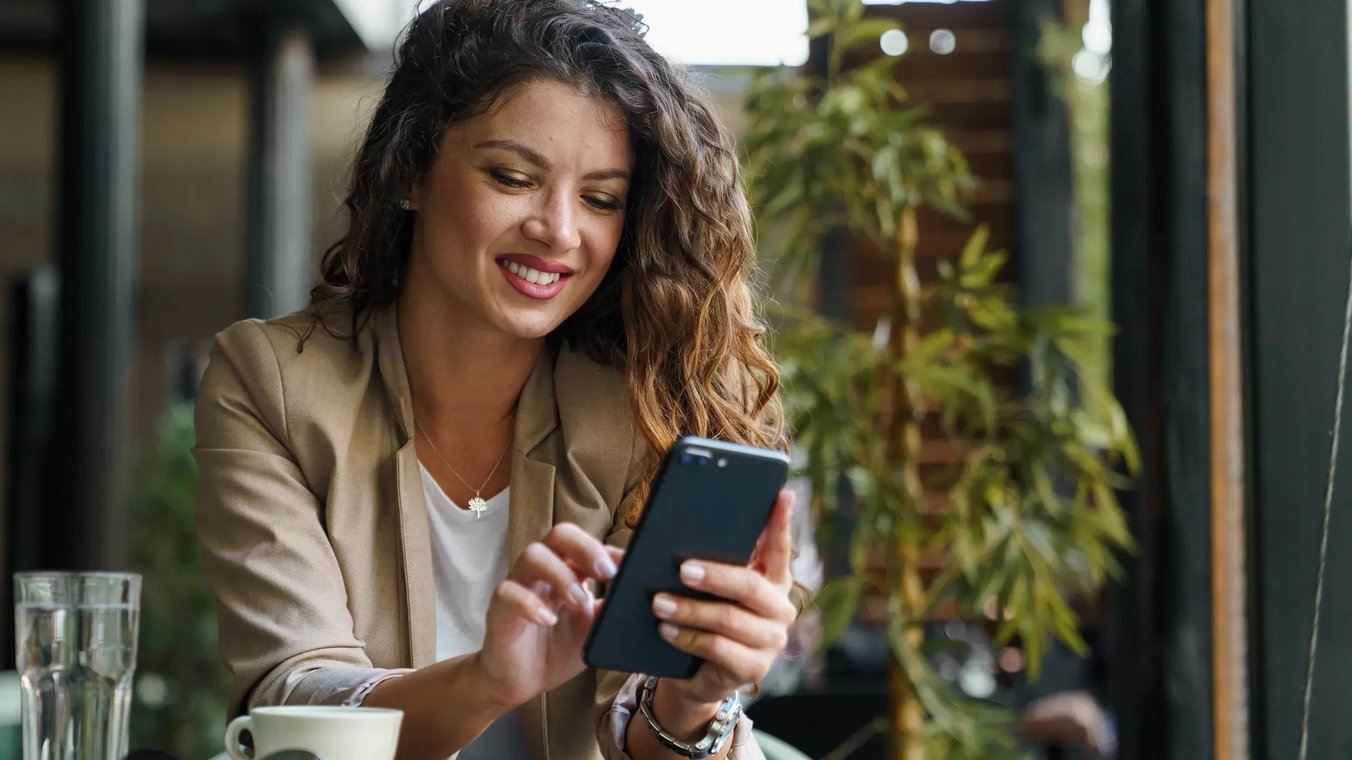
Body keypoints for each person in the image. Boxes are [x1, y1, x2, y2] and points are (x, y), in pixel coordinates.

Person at [192, 1, 801, 759]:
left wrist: (691, 702)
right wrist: (485, 681)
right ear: (409, 171)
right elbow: (293, 694)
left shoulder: (640, 406)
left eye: (601, 198)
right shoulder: (273, 383)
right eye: (513, 177)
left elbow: (635, 728)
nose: (559, 230)